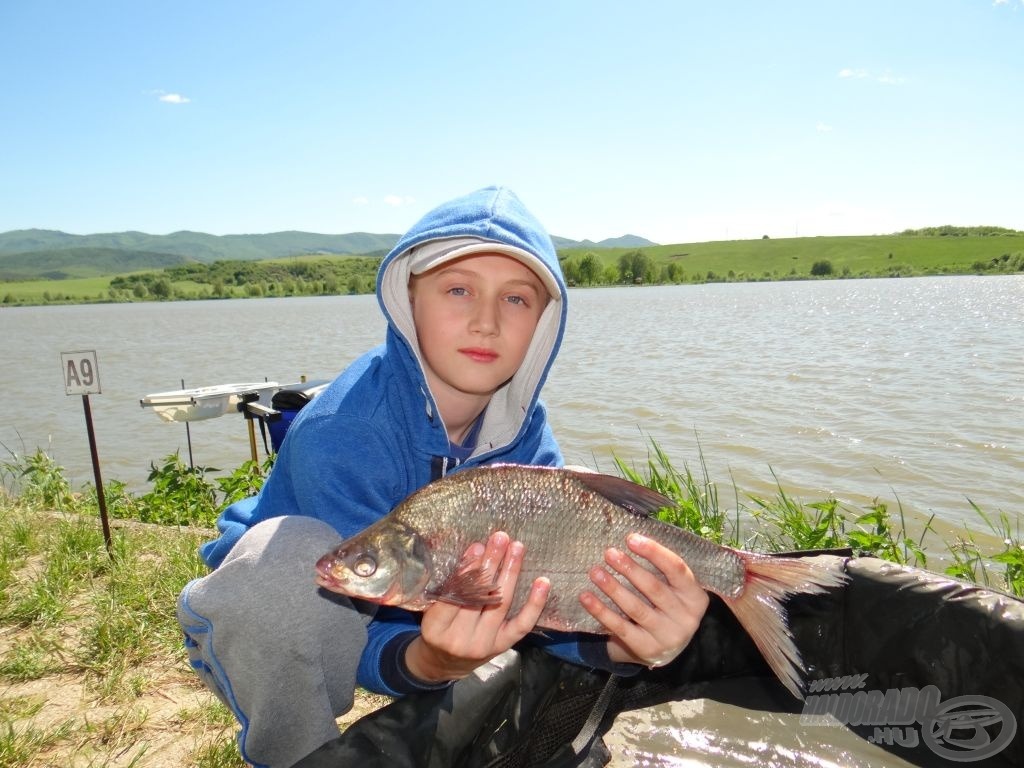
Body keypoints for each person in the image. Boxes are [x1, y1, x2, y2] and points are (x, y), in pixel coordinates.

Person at [176, 186, 710, 768]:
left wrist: (623, 642)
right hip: (280, 601)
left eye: (516, 299)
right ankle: (291, 756)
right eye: (459, 290)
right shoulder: (344, 432)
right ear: (409, 301)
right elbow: (353, 608)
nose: (485, 321)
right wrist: (431, 663)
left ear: (544, 323)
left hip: (414, 592)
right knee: (279, 583)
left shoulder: (525, 433)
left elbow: (543, 595)